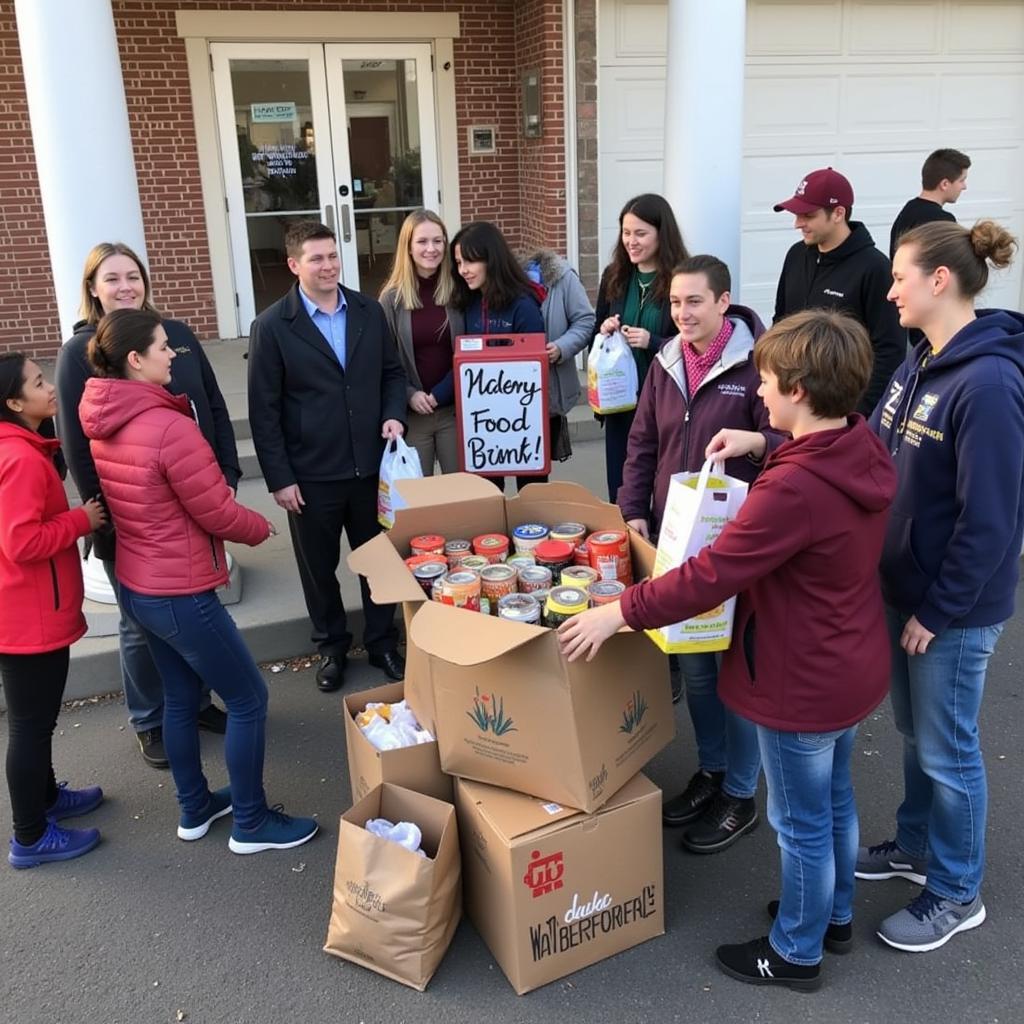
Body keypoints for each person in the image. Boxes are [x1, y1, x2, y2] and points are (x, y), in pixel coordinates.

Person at [560, 310, 897, 991]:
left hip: (800, 675)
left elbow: (710, 575)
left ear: (800, 389)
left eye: (769, 384)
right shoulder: (857, 447)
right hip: (851, 661)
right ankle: (831, 914)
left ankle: (796, 951)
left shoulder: (792, 488)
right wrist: (763, 440)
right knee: (832, 800)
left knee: (799, 822)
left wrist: (620, 612)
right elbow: (799, 463)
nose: (760, 396)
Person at [79, 308, 318, 854]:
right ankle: (252, 823)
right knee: (249, 697)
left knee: (181, 700)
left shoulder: (104, 417)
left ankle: (195, 808)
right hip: (182, 591)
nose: (173, 354)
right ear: (136, 360)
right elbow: (217, 512)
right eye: (164, 347)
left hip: (139, 586)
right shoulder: (167, 426)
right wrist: (263, 528)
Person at [858, 219, 1023, 953]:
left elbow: (992, 520)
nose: (889, 289)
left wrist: (939, 608)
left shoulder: (987, 384)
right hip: (907, 593)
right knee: (917, 735)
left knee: (949, 749)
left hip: (949, 611)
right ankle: (916, 845)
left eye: (899, 277)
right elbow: (867, 445)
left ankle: (957, 892)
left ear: (939, 281)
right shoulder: (920, 360)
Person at [56, 241, 237, 770]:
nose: (125, 286)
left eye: (132, 275)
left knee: (197, 610)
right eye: (112, 279)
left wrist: (226, 473)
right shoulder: (80, 352)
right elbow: (77, 443)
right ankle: (149, 718)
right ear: (93, 288)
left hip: (195, 503)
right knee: (139, 622)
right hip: (129, 514)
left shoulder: (174, 335)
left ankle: (197, 703)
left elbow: (213, 405)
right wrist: (103, 518)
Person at [616, 255, 776, 854]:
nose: (682, 313)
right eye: (676, 303)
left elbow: (788, 438)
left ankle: (741, 792)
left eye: (695, 302)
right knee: (698, 670)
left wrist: (757, 440)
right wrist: (634, 508)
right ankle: (713, 772)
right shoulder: (664, 362)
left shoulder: (758, 363)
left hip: (735, 545)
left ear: (724, 301)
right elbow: (642, 441)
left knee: (734, 671)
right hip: (674, 537)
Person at [247, 221, 407, 693]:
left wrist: (394, 414)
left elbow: (392, 374)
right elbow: (264, 410)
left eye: (333, 256)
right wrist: (280, 478)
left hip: (369, 469)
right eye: (316, 258)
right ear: (294, 265)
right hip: (310, 476)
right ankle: (332, 648)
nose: (328, 265)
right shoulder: (273, 326)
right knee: (318, 571)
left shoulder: (367, 311)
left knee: (378, 563)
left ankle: (382, 643)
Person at [1, 355, 107, 868]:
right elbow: (21, 542)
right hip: (29, 615)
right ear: (14, 403)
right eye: (38, 383)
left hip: (27, 608)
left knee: (35, 722)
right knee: (29, 725)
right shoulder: (19, 459)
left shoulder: (21, 447)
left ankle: (44, 801)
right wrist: (79, 519)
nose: (49, 387)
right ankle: (30, 837)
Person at [773, 167, 905, 416]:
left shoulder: (875, 268)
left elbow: (889, 350)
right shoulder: (796, 255)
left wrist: (858, 414)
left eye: (807, 215)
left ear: (838, 213)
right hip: (794, 407)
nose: (797, 224)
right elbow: (781, 323)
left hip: (842, 414)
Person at [594, 193, 688, 502]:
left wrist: (654, 342)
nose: (631, 241)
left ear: (663, 234)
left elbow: (696, 342)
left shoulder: (681, 279)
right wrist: (606, 329)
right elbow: (598, 328)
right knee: (620, 487)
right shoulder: (615, 276)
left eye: (640, 233)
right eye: (626, 232)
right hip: (620, 401)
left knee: (662, 485)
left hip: (664, 402)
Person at [451, 221, 546, 491]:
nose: (463, 270)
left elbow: (533, 367)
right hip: (481, 423)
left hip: (523, 422)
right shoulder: (466, 303)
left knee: (532, 496)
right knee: (486, 499)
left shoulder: (523, 305)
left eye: (469, 261)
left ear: (491, 259)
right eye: (458, 263)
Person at [379, 209, 464, 475]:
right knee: (421, 499)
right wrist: (409, 393)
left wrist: (441, 393)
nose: (431, 249)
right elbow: (384, 360)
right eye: (422, 241)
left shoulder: (460, 290)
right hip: (413, 415)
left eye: (438, 241)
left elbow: (468, 349)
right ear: (408, 247)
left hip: (453, 410)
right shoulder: (391, 299)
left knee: (462, 493)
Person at [523, 248, 596, 477]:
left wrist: (562, 347)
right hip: (507, 393)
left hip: (549, 389)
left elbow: (585, 320)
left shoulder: (563, 277)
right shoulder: (504, 282)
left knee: (537, 470)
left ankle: (533, 513)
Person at [889, 148, 970, 259]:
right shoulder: (943, 221)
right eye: (961, 180)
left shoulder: (908, 210)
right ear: (945, 184)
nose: (964, 186)